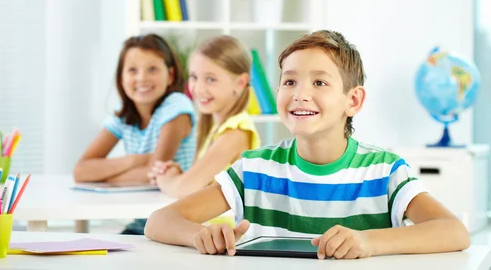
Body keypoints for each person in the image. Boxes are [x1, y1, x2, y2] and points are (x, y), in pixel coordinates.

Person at [144, 30, 470, 259]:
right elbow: (160, 221)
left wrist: (370, 242)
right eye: (289, 81)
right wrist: (200, 235)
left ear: (353, 101)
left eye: (319, 82)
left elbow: (454, 232)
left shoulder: (385, 172)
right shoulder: (255, 170)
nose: (300, 93)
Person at [74, 33, 196, 234]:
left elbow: (154, 174)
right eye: (132, 70)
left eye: (153, 69)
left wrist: (104, 174)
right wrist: (134, 160)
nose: (142, 78)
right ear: (121, 78)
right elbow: (81, 171)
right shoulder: (124, 114)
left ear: (171, 75)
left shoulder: (177, 106)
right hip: (143, 218)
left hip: (176, 218)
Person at [147, 35, 261, 204]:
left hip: (224, 229)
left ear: (240, 82)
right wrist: (177, 174)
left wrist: (163, 177)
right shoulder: (215, 128)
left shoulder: (236, 132)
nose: (198, 89)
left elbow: (183, 189)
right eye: (193, 77)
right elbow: (198, 186)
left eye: (210, 79)